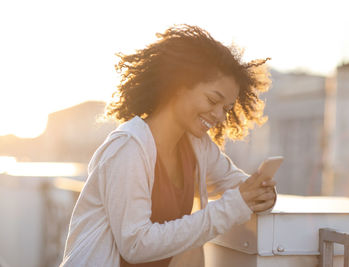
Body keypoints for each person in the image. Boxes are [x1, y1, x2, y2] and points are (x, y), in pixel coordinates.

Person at [61, 24, 277, 267]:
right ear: (178, 85)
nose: (218, 115)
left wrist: (262, 194)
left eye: (226, 109)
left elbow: (236, 185)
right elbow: (135, 245)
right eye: (212, 100)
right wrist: (234, 205)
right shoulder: (128, 148)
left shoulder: (197, 146)